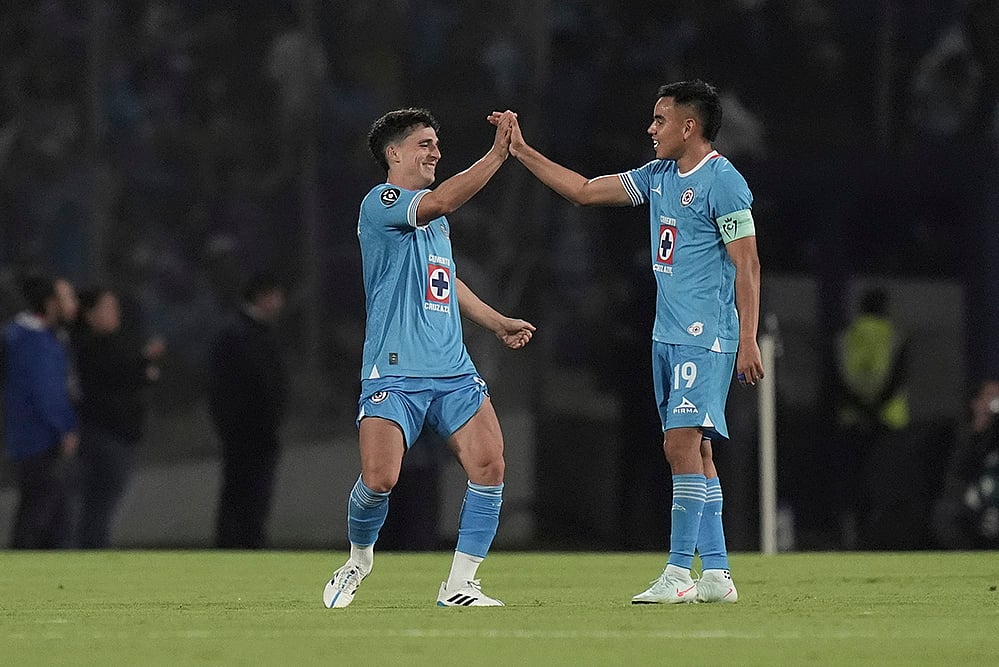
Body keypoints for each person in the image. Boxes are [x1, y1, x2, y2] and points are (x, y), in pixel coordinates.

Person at [491, 79, 763, 603]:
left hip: (705, 337)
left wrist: (747, 338)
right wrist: (520, 151)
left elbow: (746, 262)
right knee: (698, 451)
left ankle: (679, 573)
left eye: (660, 120)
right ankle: (718, 574)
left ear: (689, 125)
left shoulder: (722, 179)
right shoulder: (658, 176)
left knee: (678, 445)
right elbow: (585, 190)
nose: (651, 128)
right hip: (668, 334)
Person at [322, 107, 535, 609]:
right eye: (424, 144)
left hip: (452, 368)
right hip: (394, 369)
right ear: (394, 153)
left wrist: (496, 320)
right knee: (380, 479)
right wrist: (497, 155)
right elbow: (441, 202)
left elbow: (446, 279)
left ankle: (460, 583)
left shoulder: (433, 223)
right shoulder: (383, 202)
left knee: (490, 465)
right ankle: (358, 559)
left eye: (437, 144)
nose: (435, 152)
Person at [74, 286, 164, 548]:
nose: (115, 314)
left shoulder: (110, 345)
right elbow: (115, 378)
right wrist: (142, 368)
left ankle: (93, 553)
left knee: (100, 507)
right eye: (107, 308)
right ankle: (92, 558)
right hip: (107, 435)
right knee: (98, 507)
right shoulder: (91, 347)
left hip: (118, 435)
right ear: (90, 314)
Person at [208, 271, 288, 549]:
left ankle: (241, 546)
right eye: (276, 295)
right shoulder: (239, 336)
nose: (280, 302)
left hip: (256, 434)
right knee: (244, 497)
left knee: (249, 498)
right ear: (262, 296)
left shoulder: (250, 333)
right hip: (246, 434)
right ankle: (240, 546)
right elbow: (226, 390)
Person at [2, 275, 80, 548]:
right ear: (50, 305)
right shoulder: (33, 341)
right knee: (40, 517)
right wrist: (66, 428)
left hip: (31, 436)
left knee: (47, 515)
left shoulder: (32, 337)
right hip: (39, 438)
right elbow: (45, 392)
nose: (74, 304)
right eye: (68, 298)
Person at [833, 287, 910, 548]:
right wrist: (876, 410)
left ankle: (853, 540)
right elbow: (898, 376)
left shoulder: (846, 337)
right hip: (888, 422)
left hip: (853, 421)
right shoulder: (894, 336)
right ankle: (884, 541)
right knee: (887, 485)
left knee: (853, 486)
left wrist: (860, 409)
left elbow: (837, 379)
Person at [932, 379, 999, 549]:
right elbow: (960, 471)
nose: (996, 401)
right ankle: (965, 555)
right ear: (975, 403)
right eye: (991, 396)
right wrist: (982, 424)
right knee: (946, 512)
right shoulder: (966, 434)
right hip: (977, 503)